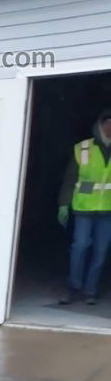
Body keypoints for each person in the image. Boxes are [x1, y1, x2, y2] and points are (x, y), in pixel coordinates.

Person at [58, 108, 111, 305]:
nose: (110, 128)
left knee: (101, 251)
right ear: (100, 125)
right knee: (80, 246)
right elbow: (70, 179)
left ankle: (91, 290)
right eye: (108, 123)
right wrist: (64, 204)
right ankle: (72, 287)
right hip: (84, 209)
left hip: (107, 211)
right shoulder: (83, 149)